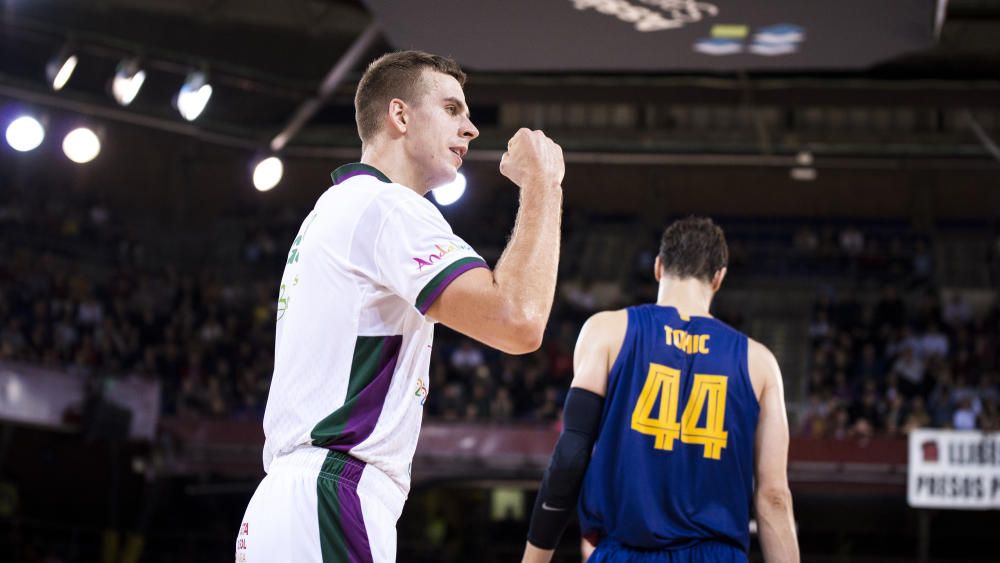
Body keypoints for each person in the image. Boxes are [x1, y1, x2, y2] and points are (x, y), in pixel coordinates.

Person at [237, 50, 565, 563]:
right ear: (400, 115)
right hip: (333, 493)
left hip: (291, 499)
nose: (472, 129)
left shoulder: (336, 208)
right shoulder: (387, 206)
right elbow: (519, 321)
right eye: (453, 110)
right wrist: (544, 184)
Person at [522, 217, 799, 563]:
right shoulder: (760, 363)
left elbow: (570, 457)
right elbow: (774, 497)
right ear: (718, 278)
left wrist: (534, 559)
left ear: (658, 267)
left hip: (625, 552)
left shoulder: (606, 332)